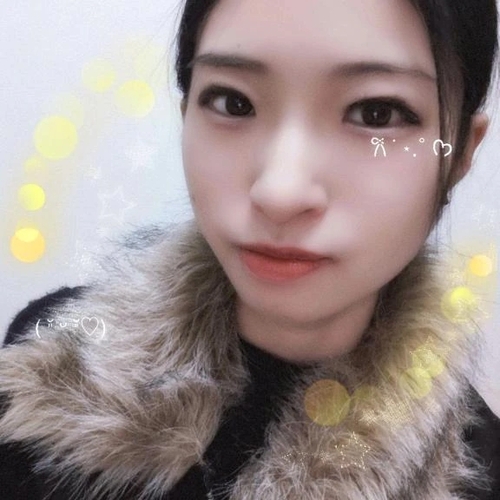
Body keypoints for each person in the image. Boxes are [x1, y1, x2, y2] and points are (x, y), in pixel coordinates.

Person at [1, 0, 499, 498]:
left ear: (460, 152)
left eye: (377, 113)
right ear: (186, 116)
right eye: (233, 102)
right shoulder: (51, 360)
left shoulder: (479, 473)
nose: (280, 194)